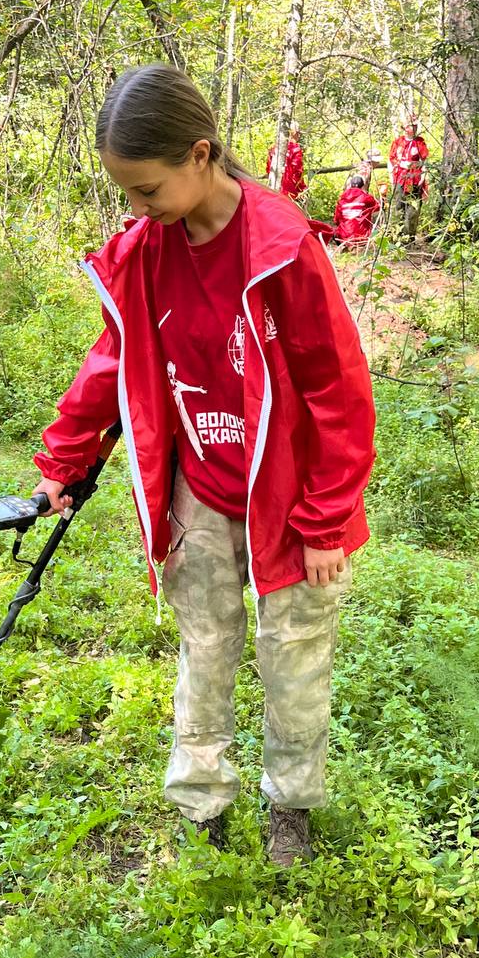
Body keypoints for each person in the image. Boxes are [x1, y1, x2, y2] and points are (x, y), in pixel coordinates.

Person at [32, 66, 376, 867]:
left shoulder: (281, 247)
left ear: (198, 154)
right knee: (206, 647)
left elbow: (337, 392)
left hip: (291, 501)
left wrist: (326, 521)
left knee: (294, 658)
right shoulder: (146, 252)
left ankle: (291, 806)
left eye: (147, 189)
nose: (135, 209)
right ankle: (203, 803)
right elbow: (115, 360)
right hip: (201, 491)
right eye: (126, 192)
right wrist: (64, 459)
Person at [389, 117, 429, 238]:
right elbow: (391, 159)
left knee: (413, 207)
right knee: (399, 205)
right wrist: (393, 174)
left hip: (415, 178)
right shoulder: (398, 142)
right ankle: (397, 234)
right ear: (405, 128)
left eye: (415, 126)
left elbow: (425, 161)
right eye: (411, 126)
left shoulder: (420, 142)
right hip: (400, 178)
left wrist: (423, 176)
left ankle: (409, 235)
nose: (414, 128)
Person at [334, 174, 380, 248]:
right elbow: (378, 208)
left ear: (350, 185)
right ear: (362, 186)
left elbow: (336, 220)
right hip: (362, 237)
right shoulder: (366, 198)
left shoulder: (342, 200)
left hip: (345, 238)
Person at [266, 122, 306, 199]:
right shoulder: (295, 149)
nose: (299, 136)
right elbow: (297, 172)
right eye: (298, 133)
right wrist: (302, 189)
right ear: (293, 133)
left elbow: (269, 170)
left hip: (273, 189)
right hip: (290, 192)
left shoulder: (273, 148)